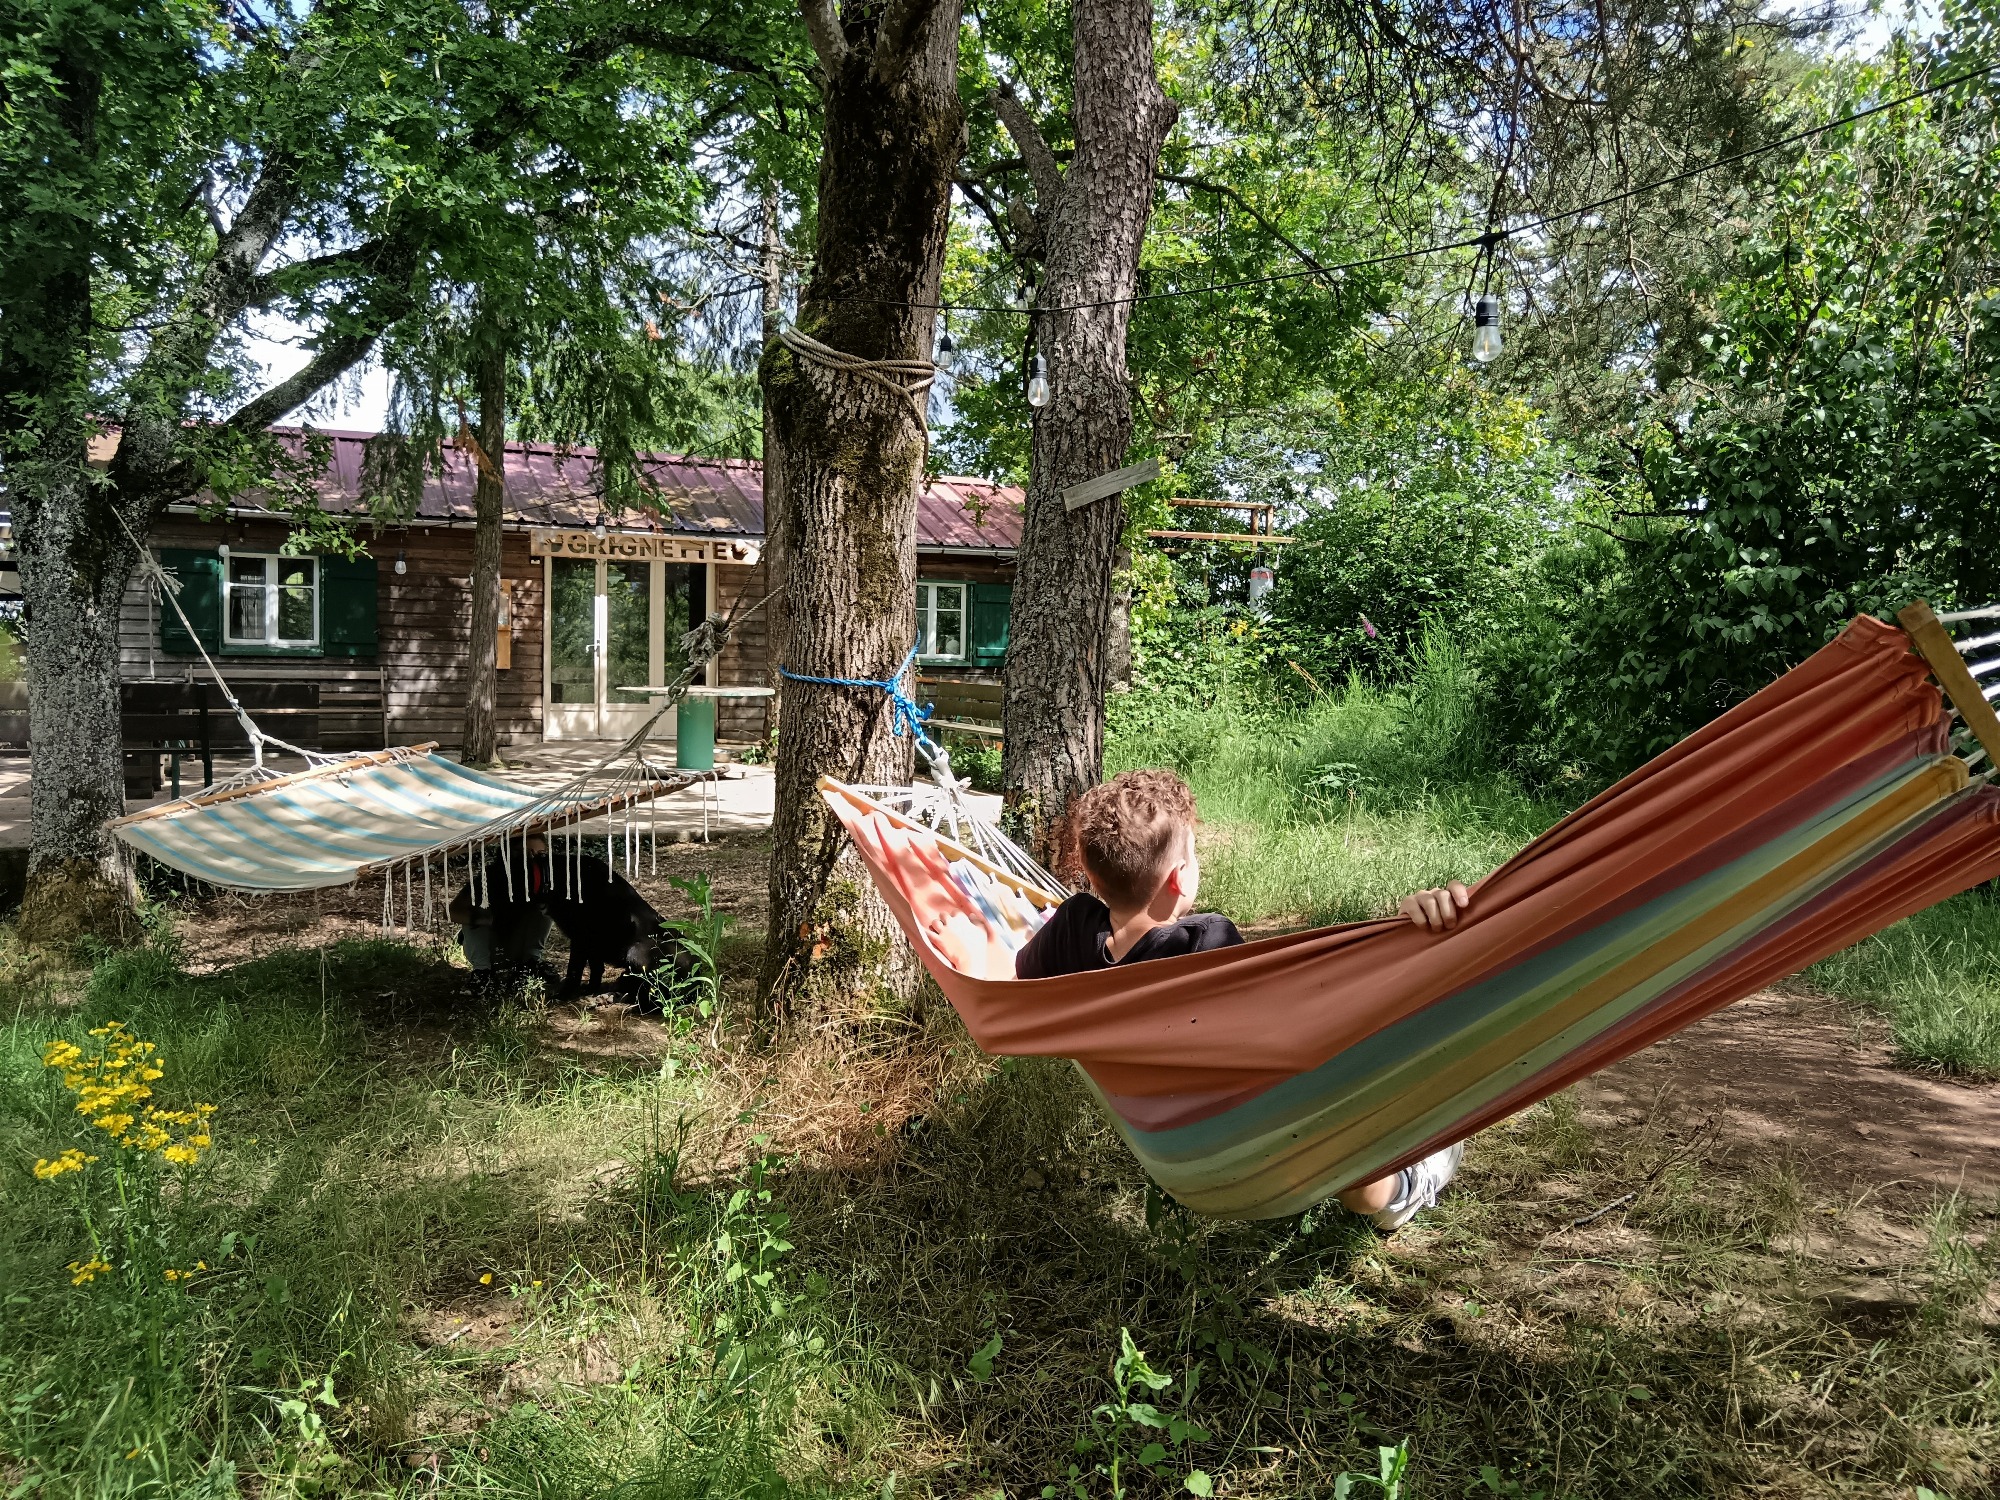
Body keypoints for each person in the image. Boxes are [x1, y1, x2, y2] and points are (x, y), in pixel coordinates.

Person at [1016, 769, 1471, 1233]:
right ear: (1179, 877)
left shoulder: (1071, 928)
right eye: (1193, 852)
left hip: (1176, 1146)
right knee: (1359, 1172)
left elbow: (1020, 981)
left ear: (1091, 873)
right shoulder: (1205, 945)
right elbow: (1299, 1013)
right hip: (1258, 1131)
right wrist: (1402, 940)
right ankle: (1414, 1182)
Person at [447, 834, 555, 986]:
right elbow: (452, 912)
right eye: (524, 853)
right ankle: (482, 974)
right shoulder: (491, 877)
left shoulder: (544, 880)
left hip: (520, 948)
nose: (532, 860)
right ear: (508, 853)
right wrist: (489, 920)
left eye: (540, 854)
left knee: (546, 906)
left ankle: (530, 965)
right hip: (489, 948)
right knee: (476, 911)